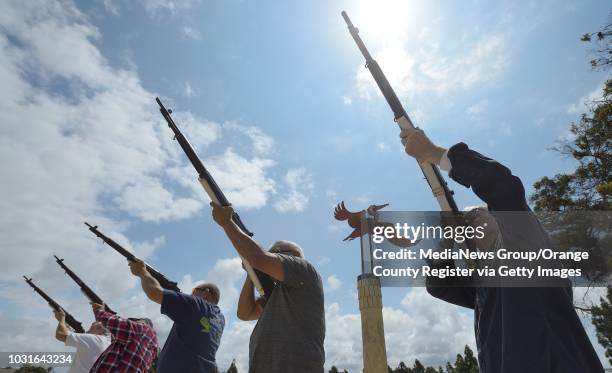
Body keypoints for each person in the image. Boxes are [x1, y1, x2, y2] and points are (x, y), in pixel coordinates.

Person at [400, 127, 604, 373]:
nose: (468, 222)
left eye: (475, 213)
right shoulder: (484, 286)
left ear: (499, 217)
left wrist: (431, 152)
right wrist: (447, 240)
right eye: (464, 223)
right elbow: (439, 286)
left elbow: (502, 187)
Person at [211, 202, 325, 373]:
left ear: (294, 257)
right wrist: (252, 274)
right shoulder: (276, 294)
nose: (272, 254)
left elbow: (257, 257)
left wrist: (227, 223)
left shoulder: (304, 269)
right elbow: (245, 313)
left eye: (276, 251)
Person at [128, 257, 225, 373]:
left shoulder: (197, 305)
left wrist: (142, 272)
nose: (191, 293)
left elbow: (153, 291)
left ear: (205, 293)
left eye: (195, 290)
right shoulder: (220, 319)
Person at [89, 302, 158, 372]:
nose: (132, 322)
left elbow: (117, 324)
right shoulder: (145, 346)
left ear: (144, 323)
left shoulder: (145, 329)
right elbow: (113, 332)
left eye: (134, 321)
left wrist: (101, 312)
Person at [53, 308, 111, 373]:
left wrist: (61, 319)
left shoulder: (95, 339)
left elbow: (60, 334)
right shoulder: (109, 343)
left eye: (93, 325)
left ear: (101, 328)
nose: (91, 325)